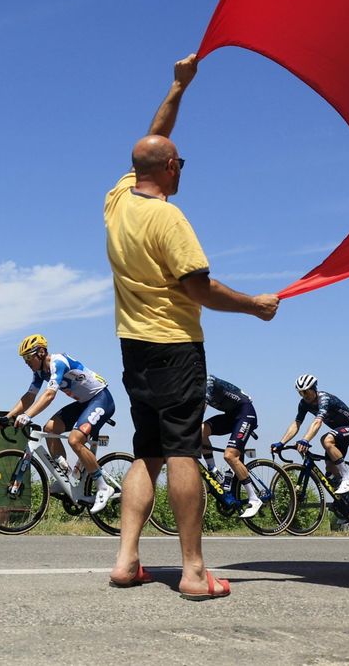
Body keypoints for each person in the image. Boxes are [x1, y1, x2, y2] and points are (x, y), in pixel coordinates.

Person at [103, 53, 279, 599]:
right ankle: (195, 572)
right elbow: (198, 288)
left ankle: (126, 560)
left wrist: (178, 86)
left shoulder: (117, 202)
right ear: (171, 169)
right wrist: (254, 304)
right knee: (182, 452)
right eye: (180, 163)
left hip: (133, 348)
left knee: (145, 452)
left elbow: (153, 138)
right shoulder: (168, 219)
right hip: (175, 347)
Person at [0, 334, 120, 514]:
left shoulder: (57, 362)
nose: (26, 362)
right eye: (24, 358)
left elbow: (49, 395)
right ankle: (67, 478)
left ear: (41, 352)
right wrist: (8, 417)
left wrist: (27, 416)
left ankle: (103, 487)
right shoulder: (38, 373)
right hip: (84, 403)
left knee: (75, 441)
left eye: (29, 357)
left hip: (101, 399)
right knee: (50, 429)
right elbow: (29, 397)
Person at [276, 374, 349, 495]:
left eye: (305, 392)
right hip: (339, 433)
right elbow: (297, 423)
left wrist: (305, 440)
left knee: (326, 440)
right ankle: (346, 501)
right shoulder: (303, 404)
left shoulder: (324, 399)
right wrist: (281, 442)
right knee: (329, 467)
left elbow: (318, 422)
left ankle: (347, 477)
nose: (304, 396)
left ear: (313, 389)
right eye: (300, 393)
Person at [200, 374, 262, 519]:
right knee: (200, 431)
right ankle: (214, 470)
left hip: (245, 413)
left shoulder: (207, 381)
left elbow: (201, 408)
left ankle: (254, 498)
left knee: (230, 455)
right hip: (231, 416)